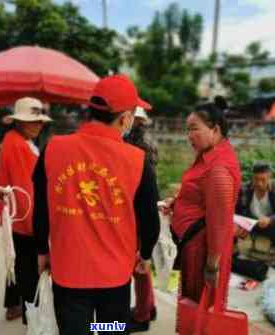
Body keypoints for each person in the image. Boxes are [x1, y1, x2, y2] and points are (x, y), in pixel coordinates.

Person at [33, 74, 160, 335]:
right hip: (114, 277)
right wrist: (145, 255)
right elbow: (150, 220)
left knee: (75, 330)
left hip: (68, 271)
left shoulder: (53, 148)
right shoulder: (137, 161)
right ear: (124, 119)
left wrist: (41, 250)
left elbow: (41, 207)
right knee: (110, 329)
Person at [160, 102, 241, 330]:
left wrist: (212, 265)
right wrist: (178, 203)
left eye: (194, 128)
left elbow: (218, 221)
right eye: (187, 129)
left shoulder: (218, 167)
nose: (188, 135)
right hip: (193, 246)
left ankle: (108, 326)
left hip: (202, 250)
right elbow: (202, 199)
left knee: (199, 304)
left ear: (215, 130)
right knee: (194, 303)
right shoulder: (208, 156)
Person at [0, 97, 52, 324]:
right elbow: (25, 186)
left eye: (39, 121)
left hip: (17, 214)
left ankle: (14, 305)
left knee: (17, 262)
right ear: (19, 122)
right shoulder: (18, 145)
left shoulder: (16, 140)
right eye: (32, 121)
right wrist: (37, 221)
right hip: (25, 215)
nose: (38, 125)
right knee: (28, 268)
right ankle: (30, 316)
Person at [124, 106, 158, 333]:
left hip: (136, 209)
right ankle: (148, 307)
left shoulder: (137, 145)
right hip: (141, 208)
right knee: (141, 264)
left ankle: (142, 314)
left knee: (139, 265)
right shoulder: (140, 139)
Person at [235, 162, 275, 274]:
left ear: (270, 178)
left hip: (269, 223)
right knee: (231, 221)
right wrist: (241, 219)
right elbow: (236, 208)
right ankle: (234, 252)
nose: (259, 183)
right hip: (250, 221)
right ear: (252, 177)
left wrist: (271, 219)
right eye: (256, 179)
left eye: (263, 180)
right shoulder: (244, 189)